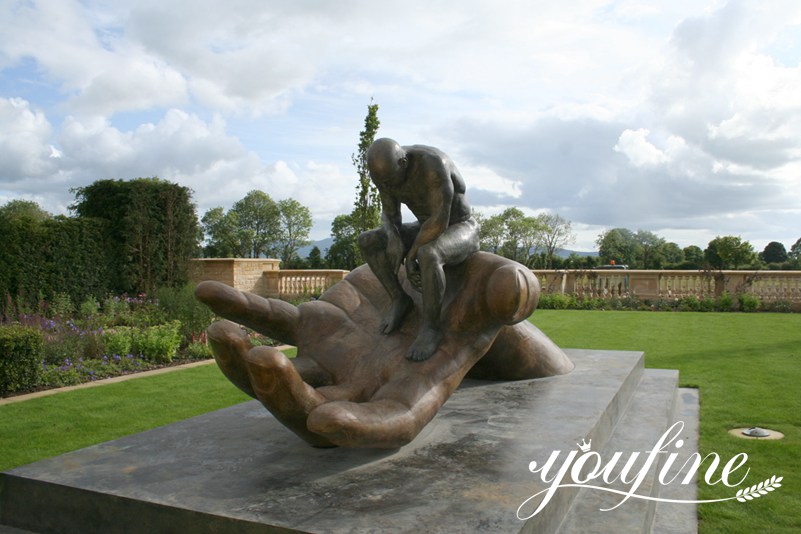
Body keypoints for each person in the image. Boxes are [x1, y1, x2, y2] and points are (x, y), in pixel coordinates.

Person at [358, 138, 480, 361]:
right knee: (368, 240)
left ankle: (431, 328)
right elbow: (390, 214)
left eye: (391, 180)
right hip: (424, 226)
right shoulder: (383, 173)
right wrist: (393, 237)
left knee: (428, 254)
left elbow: (439, 220)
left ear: (403, 162)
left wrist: (411, 254)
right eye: (383, 182)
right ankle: (399, 299)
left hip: (459, 227)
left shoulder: (433, 165)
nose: (388, 186)